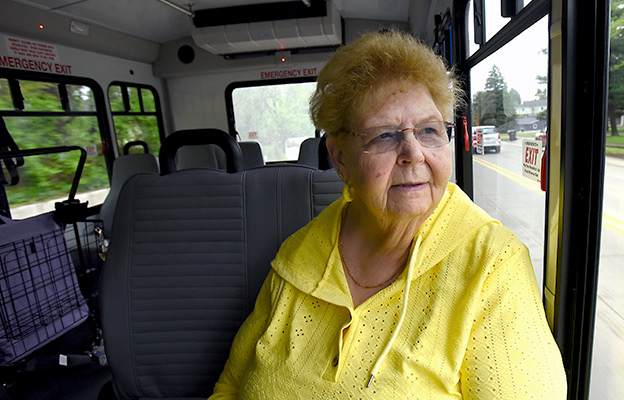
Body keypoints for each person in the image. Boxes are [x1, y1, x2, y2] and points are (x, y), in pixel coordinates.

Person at [209, 30, 566, 399]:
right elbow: (231, 385)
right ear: (341, 158)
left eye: (429, 130)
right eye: (383, 136)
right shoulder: (299, 253)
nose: (413, 153)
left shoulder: (492, 265)